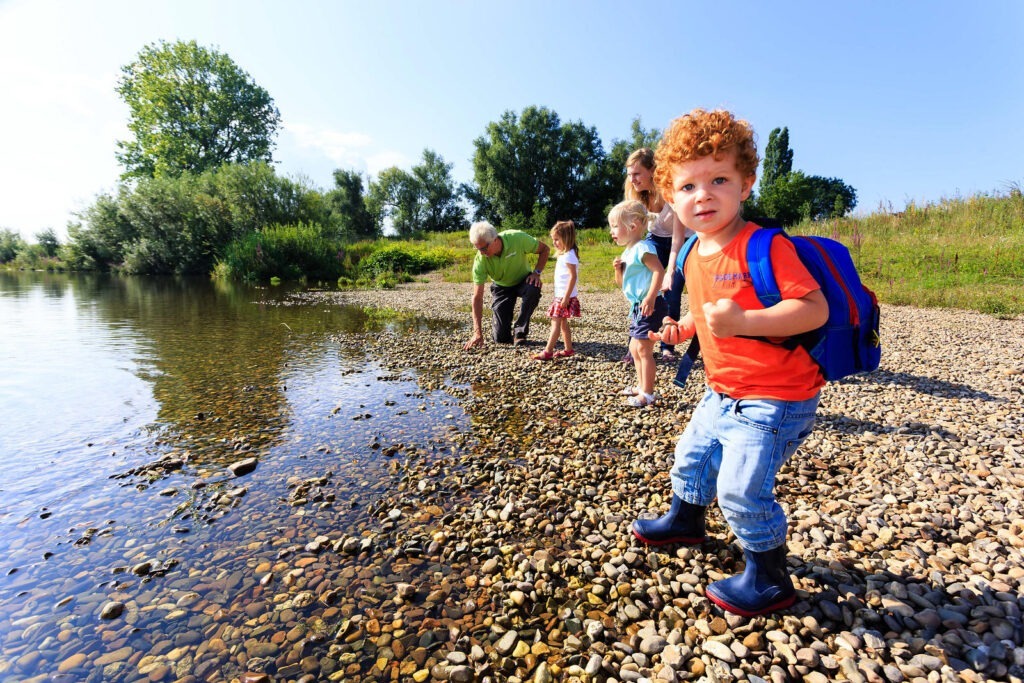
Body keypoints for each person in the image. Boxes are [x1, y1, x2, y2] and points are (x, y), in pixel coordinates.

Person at [630, 108, 829, 617]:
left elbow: (812, 309)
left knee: (740, 489)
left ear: (746, 184)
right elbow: (704, 311)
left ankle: (769, 576)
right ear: (670, 196)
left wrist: (744, 321)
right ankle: (685, 521)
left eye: (719, 179)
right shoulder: (693, 251)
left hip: (777, 397)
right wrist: (685, 329)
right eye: (689, 185)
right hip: (722, 390)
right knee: (691, 458)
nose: (704, 195)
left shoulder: (765, 245)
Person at [624, 148, 694, 361]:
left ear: (652, 171)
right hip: (655, 239)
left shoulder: (671, 193)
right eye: (629, 174)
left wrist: (670, 270)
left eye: (636, 173)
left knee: (670, 290)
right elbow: (634, 231)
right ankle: (635, 342)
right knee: (644, 289)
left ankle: (667, 345)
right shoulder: (636, 193)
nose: (632, 179)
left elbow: (677, 239)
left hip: (681, 239)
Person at [609, 199, 666, 408]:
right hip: (638, 306)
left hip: (650, 304)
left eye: (615, 226)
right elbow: (622, 284)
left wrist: (651, 297)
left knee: (643, 349)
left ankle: (648, 393)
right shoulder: (628, 252)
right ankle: (641, 386)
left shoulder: (643, 247)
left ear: (632, 226)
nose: (612, 231)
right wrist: (618, 270)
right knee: (634, 348)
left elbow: (659, 271)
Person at [463, 221, 550, 350]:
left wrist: (536, 273)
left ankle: (520, 331)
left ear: (495, 240)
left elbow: (545, 249)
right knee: (500, 339)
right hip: (501, 287)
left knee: (534, 288)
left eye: (483, 248)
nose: (481, 253)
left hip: (523, 281)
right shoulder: (480, 260)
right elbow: (477, 297)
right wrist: (477, 332)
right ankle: (505, 331)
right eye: (477, 249)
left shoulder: (517, 238)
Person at [533, 220, 581, 361]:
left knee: (555, 323)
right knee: (563, 323)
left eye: (557, 239)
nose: (554, 242)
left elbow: (573, 277)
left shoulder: (569, 255)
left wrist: (566, 298)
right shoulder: (565, 254)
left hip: (563, 296)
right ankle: (568, 349)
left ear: (566, 238)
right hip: (562, 295)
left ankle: (548, 351)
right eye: (553, 239)